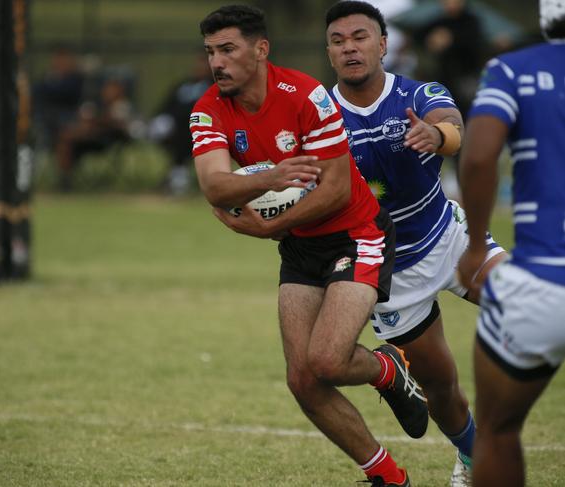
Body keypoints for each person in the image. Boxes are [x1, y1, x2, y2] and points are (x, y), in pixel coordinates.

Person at [190, 5, 428, 487]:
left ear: (260, 50)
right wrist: (275, 177)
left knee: (327, 361)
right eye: (212, 52)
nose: (218, 62)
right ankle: (388, 477)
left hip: (357, 231)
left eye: (228, 49)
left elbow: (337, 189)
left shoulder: (304, 94)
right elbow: (215, 187)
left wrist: (266, 224)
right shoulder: (208, 109)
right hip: (301, 246)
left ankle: (387, 365)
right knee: (302, 379)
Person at [323, 2, 506, 486]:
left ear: (383, 44)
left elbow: (454, 128)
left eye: (360, 37)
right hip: (391, 271)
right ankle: (472, 458)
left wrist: (436, 133)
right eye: (338, 41)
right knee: (441, 387)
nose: (350, 48)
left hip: (450, 239)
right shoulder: (318, 115)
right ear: (330, 52)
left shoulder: (417, 91)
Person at [457, 1, 565, 485]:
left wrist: (477, 245)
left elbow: (479, 156)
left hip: (543, 280)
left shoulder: (513, 69)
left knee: (498, 430)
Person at [147, 53, 212, 196]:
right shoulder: (183, 84)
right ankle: (178, 173)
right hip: (173, 127)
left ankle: (178, 175)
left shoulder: (213, 86)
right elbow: (165, 105)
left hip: (197, 129)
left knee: (184, 132)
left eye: (203, 64)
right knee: (166, 130)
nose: (199, 68)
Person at [54, 77, 136, 190]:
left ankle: (65, 178)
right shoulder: (97, 105)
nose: (108, 92)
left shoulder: (122, 106)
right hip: (89, 140)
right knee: (66, 139)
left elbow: (118, 125)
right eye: (107, 89)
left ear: (120, 90)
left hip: (106, 141)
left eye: (112, 89)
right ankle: (65, 178)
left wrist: (96, 121)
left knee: (69, 139)